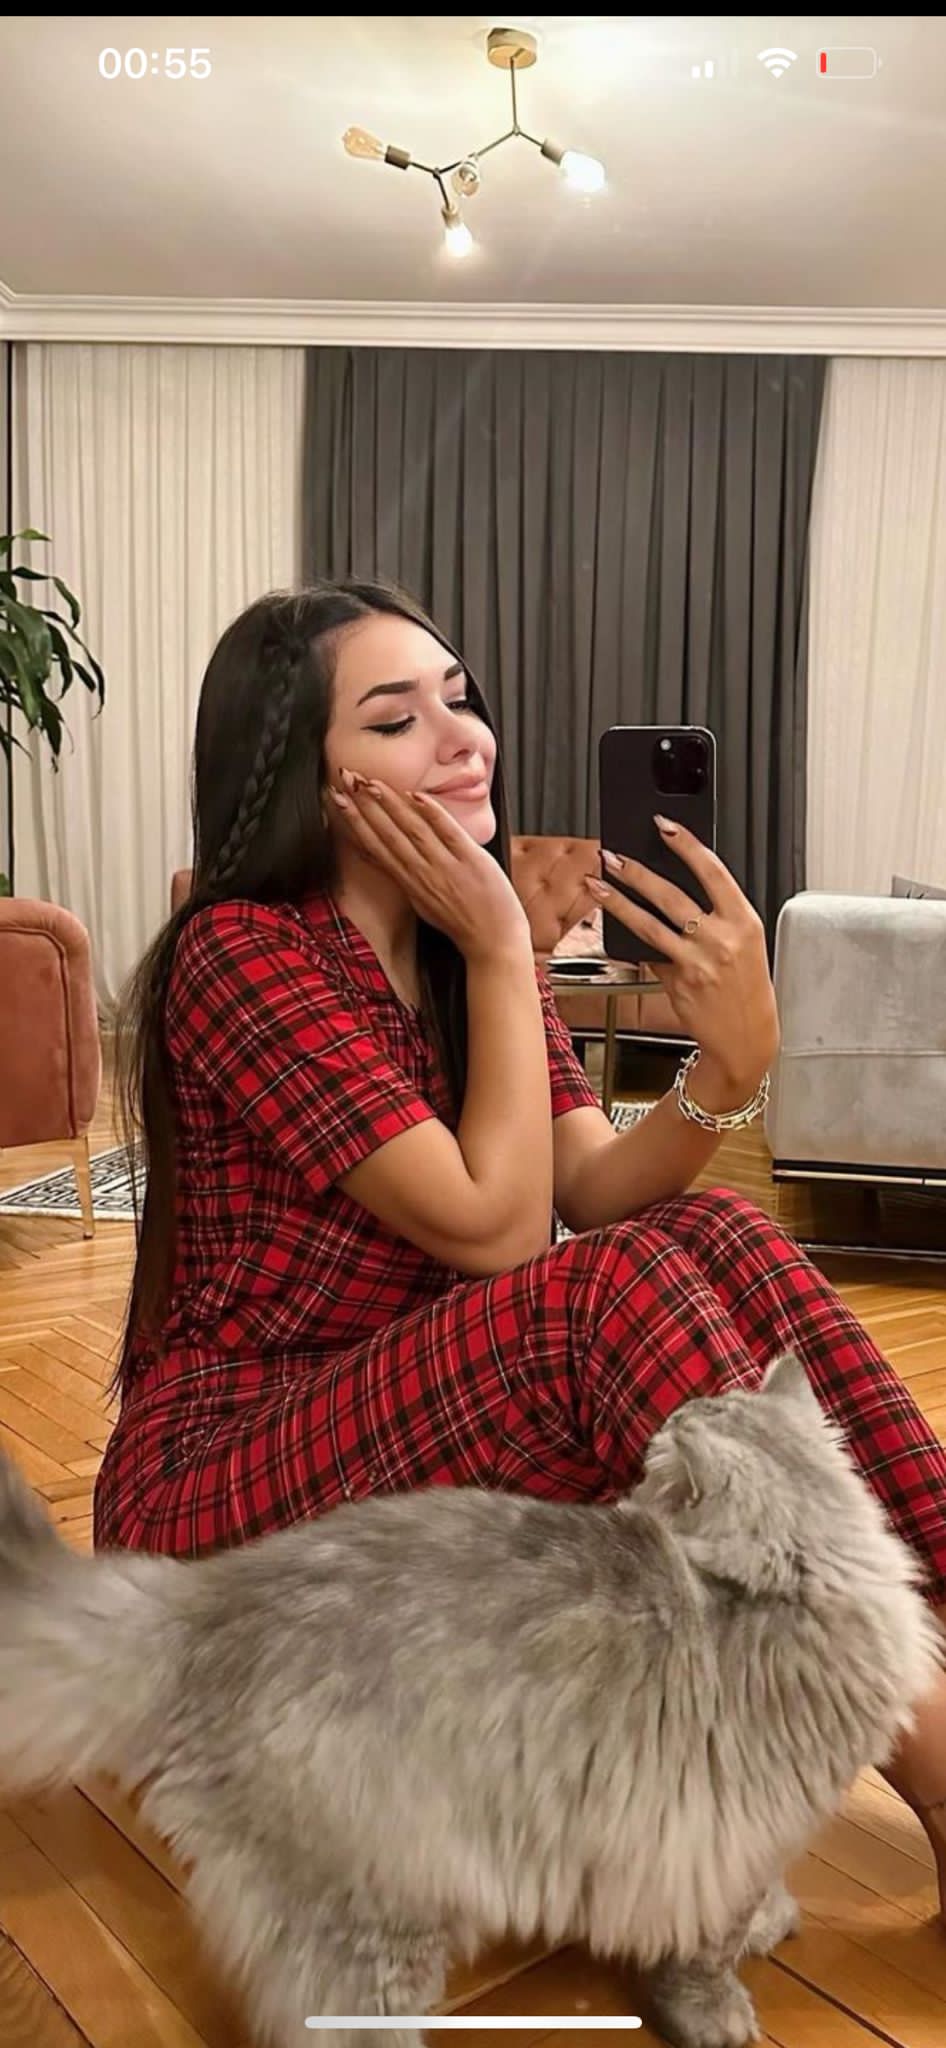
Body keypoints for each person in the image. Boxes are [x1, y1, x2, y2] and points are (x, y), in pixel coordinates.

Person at [94, 578, 946, 1918]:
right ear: (311, 784)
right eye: (396, 720)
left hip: (406, 1420)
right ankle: (932, 1754)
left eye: (461, 700)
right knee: (590, 1303)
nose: (464, 738)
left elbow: (597, 1188)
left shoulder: (455, 955)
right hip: (216, 1494)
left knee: (714, 1227)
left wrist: (727, 1071)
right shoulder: (241, 955)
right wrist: (503, 941)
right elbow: (502, 1236)